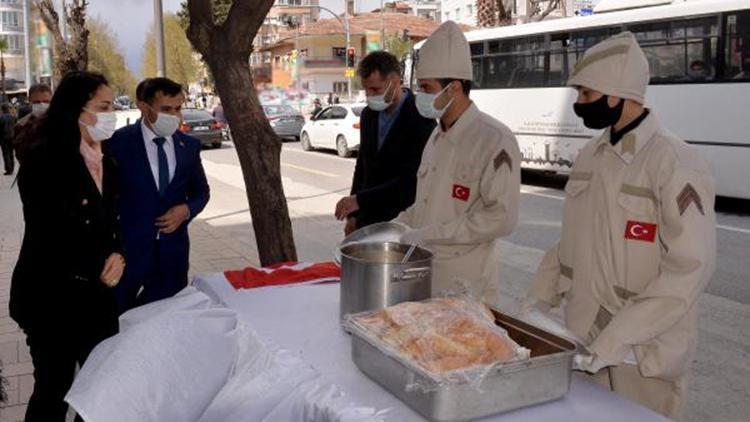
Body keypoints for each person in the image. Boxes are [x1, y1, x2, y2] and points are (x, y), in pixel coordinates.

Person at [522, 32, 716, 420]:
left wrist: (616, 339)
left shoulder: (674, 162)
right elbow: (570, 245)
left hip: (643, 357)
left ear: (619, 94)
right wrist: (533, 307)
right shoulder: (590, 156)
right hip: (583, 343)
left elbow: (689, 270)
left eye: (587, 95)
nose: (579, 104)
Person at [10, 71, 124, 421]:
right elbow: (50, 235)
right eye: (103, 106)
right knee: (54, 387)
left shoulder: (106, 158)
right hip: (50, 299)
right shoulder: (44, 160)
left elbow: (112, 224)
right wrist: (99, 270)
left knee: (102, 386)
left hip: (97, 298)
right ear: (77, 109)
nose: (111, 114)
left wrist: (120, 256)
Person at [395, 21, 521, 304]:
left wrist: (429, 234)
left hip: (467, 289)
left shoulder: (494, 139)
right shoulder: (437, 136)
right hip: (423, 278)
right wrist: (395, 229)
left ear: (453, 89)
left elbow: (501, 218)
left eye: (426, 87)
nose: (420, 96)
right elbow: (427, 203)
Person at [107, 77, 210, 313]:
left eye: (178, 108)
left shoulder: (189, 146)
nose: (174, 115)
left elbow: (201, 192)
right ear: (144, 106)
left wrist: (186, 210)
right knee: (117, 324)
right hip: (127, 256)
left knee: (166, 324)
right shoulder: (117, 144)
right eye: (166, 109)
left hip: (172, 256)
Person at [335, 51, 435, 235]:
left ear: (395, 81)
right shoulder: (368, 115)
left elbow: (412, 180)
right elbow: (362, 166)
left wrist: (360, 200)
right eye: (366, 90)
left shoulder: (421, 118)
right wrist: (354, 214)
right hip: (367, 220)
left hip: (403, 222)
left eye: (375, 90)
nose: (370, 96)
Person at [0, 104, 15, 175]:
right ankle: (12, 168)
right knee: (11, 153)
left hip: (4, 138)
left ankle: (8, 170)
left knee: (6, 154)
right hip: (12, 137)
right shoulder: (13, 117)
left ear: (2, 109)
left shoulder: (1, 118)